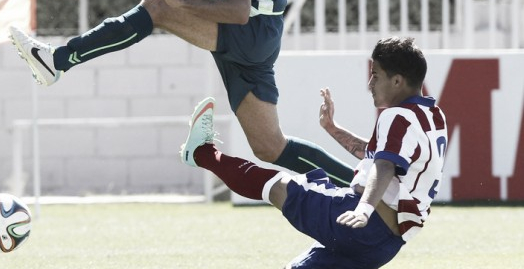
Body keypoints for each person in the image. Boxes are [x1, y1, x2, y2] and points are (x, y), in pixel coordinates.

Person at [8, 0, 353, 184]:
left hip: (255, 30)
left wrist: (182, 2)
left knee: (157, 8)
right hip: (233, 31)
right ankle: (363, 186)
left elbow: (239, 11)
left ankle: (57, 61)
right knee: (270, 147)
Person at [180, 37, 449, 269]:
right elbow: (380, 155)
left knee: (276, 186)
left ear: (398, 80)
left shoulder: (396, 116)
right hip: (385, 245)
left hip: (362, 223)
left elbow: (385, 166)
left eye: (376, 75)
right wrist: (333, 129)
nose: (370, 83)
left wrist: (364, 210)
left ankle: (202, 153)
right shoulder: (433, 118)